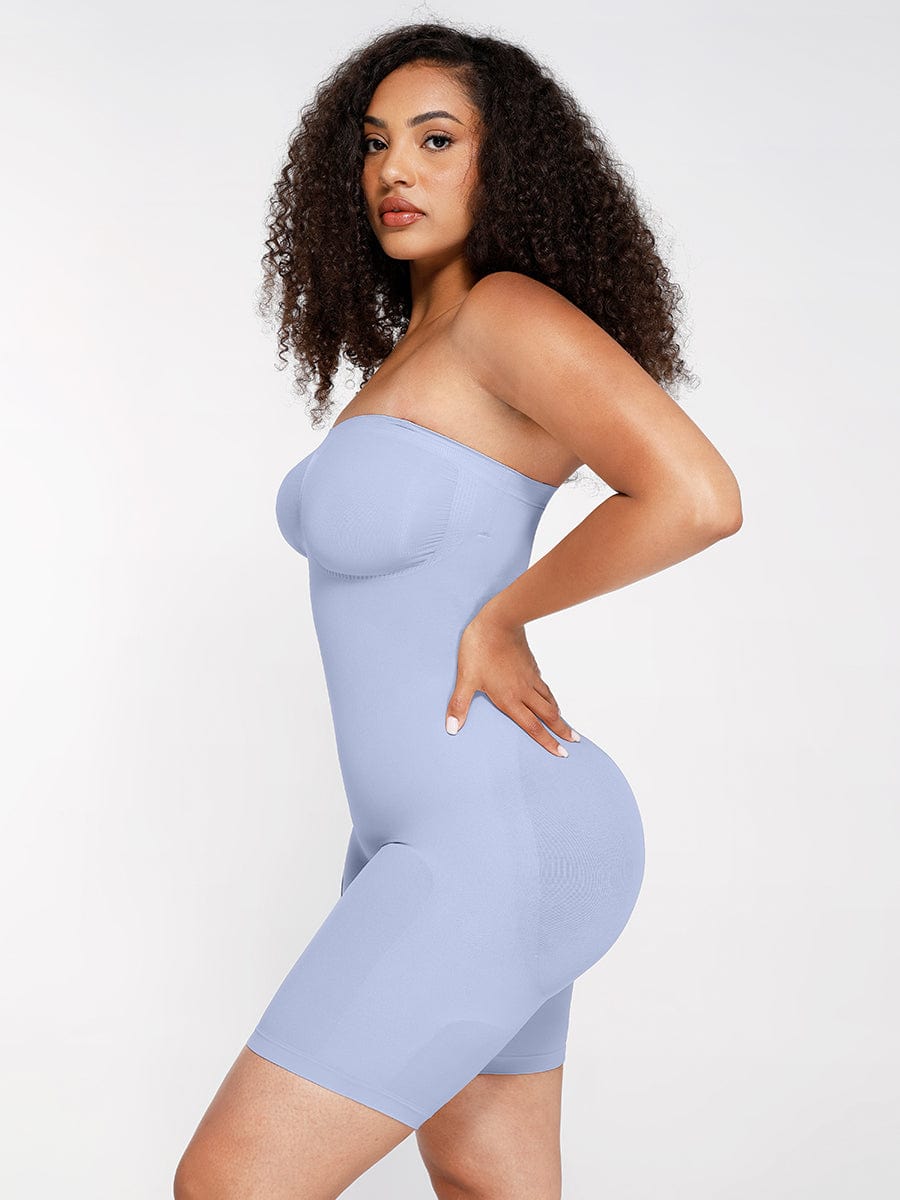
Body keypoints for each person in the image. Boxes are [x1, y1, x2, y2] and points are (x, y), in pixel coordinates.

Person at [174, 21, 742, 1200]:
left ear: (506, 162)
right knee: (487, 1175)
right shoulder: (411, 351)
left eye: (437, 140)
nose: (395, 168)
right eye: (375, 143)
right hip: (425, 838)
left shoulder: (505, 316)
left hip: (494, 837)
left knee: (230, 1183)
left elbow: (695, 496)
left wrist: (505, 617)